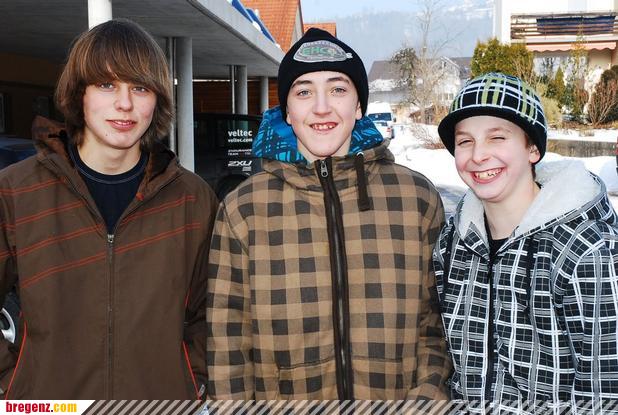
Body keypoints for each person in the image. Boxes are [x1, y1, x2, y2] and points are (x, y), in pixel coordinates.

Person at [206, 28, 451, 401]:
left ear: (358, 106)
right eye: (304, 92)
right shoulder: (244, 209)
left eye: (338, 89)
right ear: (287, 112)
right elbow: (228, 348)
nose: (321, 108)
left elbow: (437, 329)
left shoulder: (416, 199)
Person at [0, 19, 217, 399]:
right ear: (79, 94)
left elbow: (214, 311)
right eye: (106, 85)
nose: (125, 103)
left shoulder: (193, 200)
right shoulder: (16, 191)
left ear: (158, 99)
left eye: (140, 87)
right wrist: (13, 384)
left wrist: (192, 378)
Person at [433, 72, 618, 412]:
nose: (478, 155)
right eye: (465, 141)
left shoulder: (583, 249)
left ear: (532, 148)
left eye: (497, 138)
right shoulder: (453, 244)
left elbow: (605, 390)